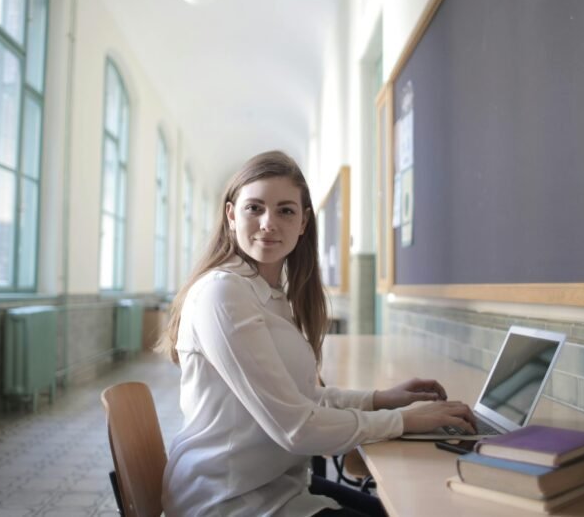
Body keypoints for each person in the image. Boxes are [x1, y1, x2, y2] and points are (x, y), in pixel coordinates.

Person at [158, 151, 476, 516]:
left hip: (276, 486)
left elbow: (301, 399)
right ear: (231, 215)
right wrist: (405, 421)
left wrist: (380, 399)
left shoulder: (271, 294)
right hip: (227, 501)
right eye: (254, 208)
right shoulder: (223, 293)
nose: (268, 223)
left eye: (285, 210)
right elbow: (296, 428)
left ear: (303, 222)